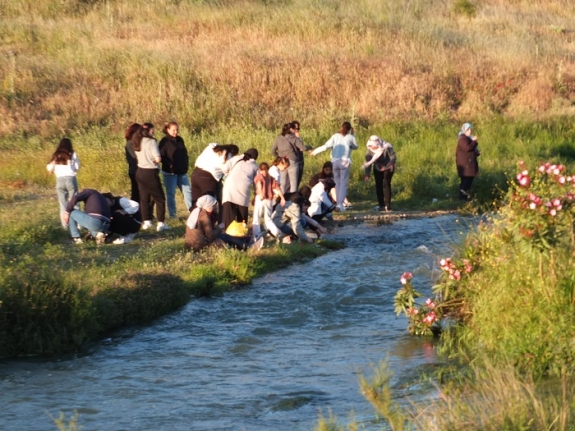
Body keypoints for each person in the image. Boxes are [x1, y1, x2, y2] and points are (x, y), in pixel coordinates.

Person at [185, 195, 263, 252]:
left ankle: (248, 241)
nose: (215, 207)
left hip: (191, 246)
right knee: (224, 237)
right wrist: (219, 228)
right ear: (207, 206)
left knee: (224, 236)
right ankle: (249, 247)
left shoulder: (198, 212)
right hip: (201, 247)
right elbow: (211, 237)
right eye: (213, 206)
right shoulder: (204, 217)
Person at [310, 121, 358, 211]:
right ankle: (340, 204)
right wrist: (353, 135)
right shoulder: (350, 137)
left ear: (341, 127)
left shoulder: (335, 136)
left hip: (335, 162)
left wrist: (315, 152)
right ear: (350, 129)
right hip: (345, 162)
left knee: (337, 183)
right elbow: (355, 147)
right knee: (343, 184)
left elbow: (325, 146)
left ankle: (339, 204)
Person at [132, 123, 169, 231]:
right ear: (148, 132)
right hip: (150, 171)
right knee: (160, 198)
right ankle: (161, 223)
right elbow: (157, 158)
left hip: (140, 171)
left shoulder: (137, 141)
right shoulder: (151, 142)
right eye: (152, 132)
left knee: (144, 198)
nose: (153, 134)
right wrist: (156, 160)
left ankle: (146, 221)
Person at [158, 121, 192, 218]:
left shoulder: (180, 140)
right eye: (173, 130)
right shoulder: (164, 141)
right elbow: (162, 156)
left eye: (177, 130)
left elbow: (184, 153)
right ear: (168, 130)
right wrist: (170, 165)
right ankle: (173, 215)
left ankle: (192, 211)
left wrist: (186, 164)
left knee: (187, 191)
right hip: (170, 173)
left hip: (182, 171)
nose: (176, 132)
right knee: (171, 193)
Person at [191, 143, 239, 209]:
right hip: (208, 177)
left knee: (196, 201)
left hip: (195, 173)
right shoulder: (228, 156)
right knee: (209, 202)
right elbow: (226, 170)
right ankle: (208, 218)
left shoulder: (213, 146)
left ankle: (194, 217)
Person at [221, 148, 259, 230]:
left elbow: (224, 168)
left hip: (230, 186)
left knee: (228, 213)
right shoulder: (255, 166)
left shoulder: (236, 158)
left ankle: (227, 232)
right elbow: (257, 183)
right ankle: (241, 232)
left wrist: (229, 173)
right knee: (242, 213)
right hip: (243, 189)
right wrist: (256, 195)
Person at [46, 138, 80, 228]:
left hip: (59, 180)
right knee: (75, 202)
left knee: (63, 204)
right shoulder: (72, 153)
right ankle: (77, 225)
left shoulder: (56, 155)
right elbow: (77, 166)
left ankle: (65, 226)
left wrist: (53, 169)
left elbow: (49, 167)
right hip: (70, 179)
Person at [362, 135, 397, 211]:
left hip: (388, 167)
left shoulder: (386, 147)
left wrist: (391, 164)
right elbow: (368, 163)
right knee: (378, 185)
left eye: (375, 146)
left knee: (386, 183)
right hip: (377, 168)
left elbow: (393, 157)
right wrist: (367, 174)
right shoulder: (369, 151)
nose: (374, 147)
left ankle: (387, 205)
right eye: (372, 146)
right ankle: (381, 205)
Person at [252, 162, 286, 241]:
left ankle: (256, 235)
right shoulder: (271, 178)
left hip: (261, 198)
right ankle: (277, 233)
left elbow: (259, 184)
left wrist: (260, 194)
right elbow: (277, 188)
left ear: (260, 169)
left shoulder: (259, 176)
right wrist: (282, 197)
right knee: (268, 219)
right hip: (269, 200)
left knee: (257, 217)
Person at [271, 123, 305, 194]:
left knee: (282, 182)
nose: (295, 131)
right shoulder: (293, 138)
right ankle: (293, 199)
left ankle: (282, 199)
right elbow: (303, 147)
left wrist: (279, 157)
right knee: (293, 182)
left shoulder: (279, 138)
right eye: (294, 129)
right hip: (292, 161)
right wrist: (310, 147)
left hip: (282, 162)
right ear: (290, 129)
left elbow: (273, 150)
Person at [456, 122, 480, 201]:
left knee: (468, 181)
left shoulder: (468, 138)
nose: (470, 131)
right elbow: (467, 148)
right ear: (465, 130)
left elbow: (469, 151)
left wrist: (476, 153)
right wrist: (474, 141)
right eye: (468, 129)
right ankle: (462, 198)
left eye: (471, 129)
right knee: (465, 181)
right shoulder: (462, 139)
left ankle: (465, 197)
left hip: (468, 164)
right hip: (465, 165)